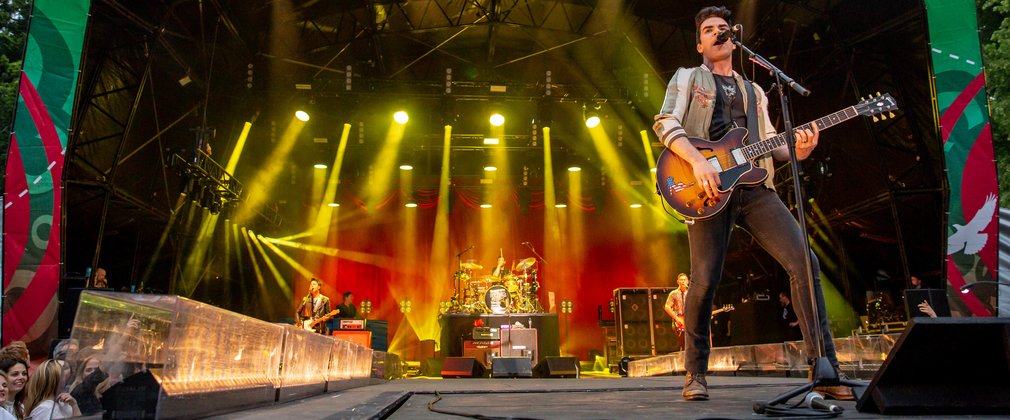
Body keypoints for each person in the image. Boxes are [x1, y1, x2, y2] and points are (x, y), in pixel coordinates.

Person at [653, 6, 852, 401]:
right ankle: (695, 373)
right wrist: (697, 161)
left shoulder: (754, 89)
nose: (717, 33)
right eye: (709, 30)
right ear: (700, 44)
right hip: (704, 186)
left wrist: (799, 149)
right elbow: (665, 122)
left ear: (733, 38)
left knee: (804, 262)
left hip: (756, 188)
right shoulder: (689, 78)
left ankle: (825, 370)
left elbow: (772, 142)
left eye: (723, 29)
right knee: (705, 280)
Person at [664, 273, 691, 351]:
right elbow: (667, 307)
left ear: (688, 281)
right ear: (678, 282)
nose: (683, 281)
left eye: (685, 280)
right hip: (679, 322)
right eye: (681, 280)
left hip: (690, 321)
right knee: (683, 344)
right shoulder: (673, 293)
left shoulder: (691, 293)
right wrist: (676, 318)